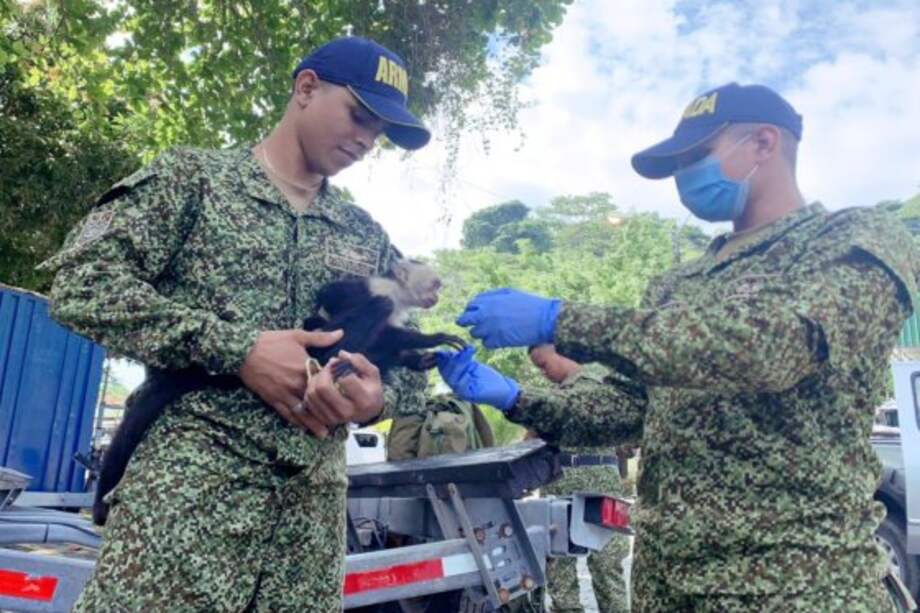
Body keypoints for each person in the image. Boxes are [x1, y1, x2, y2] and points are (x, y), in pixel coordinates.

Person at [436, 82, 918, 611]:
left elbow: (768, 348)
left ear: (763, 143)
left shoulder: (852, 240)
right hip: (667, 583)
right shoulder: (678, 284)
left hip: (795, 584)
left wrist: (562, 319)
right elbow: (624, 408)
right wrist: (513, 397)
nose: (684, 176)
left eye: (696, 155)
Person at [41, 36, 430, 611]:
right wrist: (237, 348)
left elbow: (412, 368)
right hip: (185, 509)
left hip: (307, 528)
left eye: (379, 132)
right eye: (359, 116)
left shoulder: (364, 234)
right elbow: (80, 284)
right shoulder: (193, 182)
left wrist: (371, 399)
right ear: (305, 88)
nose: (366, 140)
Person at [528, 344, 631, 613]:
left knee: (604, 566)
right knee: (564, 570)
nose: (543, 373)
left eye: (543, 364)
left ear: (561, 352)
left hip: (591, 484)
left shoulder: (595, 383)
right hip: (567, 484)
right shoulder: (561, 394)